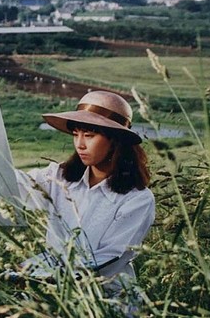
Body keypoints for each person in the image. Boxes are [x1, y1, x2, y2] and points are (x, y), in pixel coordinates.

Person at [13, 90, 155, 297]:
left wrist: (39, 270)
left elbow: (110, 257)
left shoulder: (137, 199)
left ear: (115, 140)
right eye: (76, 134)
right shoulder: (58, 176)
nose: (80, 144)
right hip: (51, 287)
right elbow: (14, 185)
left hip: (105, 296)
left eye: (89, 135)